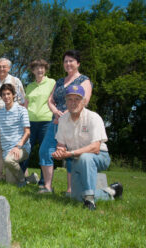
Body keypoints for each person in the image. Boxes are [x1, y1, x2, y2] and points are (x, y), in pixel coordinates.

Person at [52, 85, 123, 210]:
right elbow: (61, 144)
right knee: (76, 197)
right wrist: (59, 152)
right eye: (70, 99)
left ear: (84, 101)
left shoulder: (93, 118)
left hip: (99, 156)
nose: (73, 103)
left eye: (77, 99)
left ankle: (90, 201)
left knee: (85, 157)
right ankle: (111, 192)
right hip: (76, 158)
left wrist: (70, 153)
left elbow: (95, 148)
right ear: (66, 102)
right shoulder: (62, 120)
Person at [39, 50, 92, 194]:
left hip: (73, 122)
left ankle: (70, 190)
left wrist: (66, 115)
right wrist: (55, 112)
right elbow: (50, 100)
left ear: (78, 63)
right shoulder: (60, 82)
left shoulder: (84, 80)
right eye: (65, 61)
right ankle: (48, 187)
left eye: (71, 61)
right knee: (44, 151)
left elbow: (84, 101)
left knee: (70, 155)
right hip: (55, 122)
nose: (68, 64)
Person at [23, 59, 56, 187]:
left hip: (46, 122)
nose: (40, 70)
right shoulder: (30, 86)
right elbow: (26, 105)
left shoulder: (52, 83)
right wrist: (23, 122)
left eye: (42, 67)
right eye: (37, 68)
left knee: (45, 151)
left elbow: (53, 101)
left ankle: (44, 182)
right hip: (30, 122)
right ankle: (21, 178)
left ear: (45, 69)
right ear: (33, 70)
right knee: (26, 149)